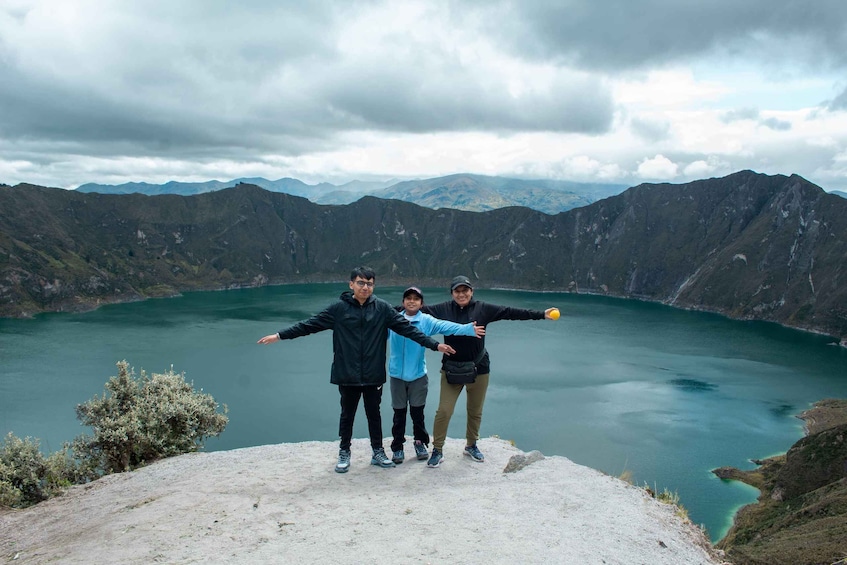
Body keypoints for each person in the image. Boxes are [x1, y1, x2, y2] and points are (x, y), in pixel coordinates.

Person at [257, 267, 456, 474]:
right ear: (351, 284)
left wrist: (435, 345)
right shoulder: (338, 309)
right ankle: (344, 452)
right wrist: (279, 335)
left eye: (369, 283)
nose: (365, 287)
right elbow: (309, 325)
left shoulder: (382, 309)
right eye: (361, 283)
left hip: (372, 374)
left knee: (374, 414)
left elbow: (408, 330)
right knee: (347, 415)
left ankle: (377, 451)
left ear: (373, 286)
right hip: (347, 373)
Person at [421, 275, 558, 467]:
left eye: (465, 290)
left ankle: (471, 445)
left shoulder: (483, 309)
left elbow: (511, 312)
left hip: (479, 368)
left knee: (475, 411)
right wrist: (383, 313)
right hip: (452, 369)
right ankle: (437, 449)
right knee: (444, 411)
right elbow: (413, 310)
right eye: (457, 291)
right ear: (452, 293)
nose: (461, 294)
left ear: (472, 291)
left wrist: (541, 314)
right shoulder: (442, 309)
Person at [387, 286, 485, 465]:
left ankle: (420, 442)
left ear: (421, 303)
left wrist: (467, 329)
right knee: (398, 413)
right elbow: (374, 331)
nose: (411, 301)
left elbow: (445, 326)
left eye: (416, 299)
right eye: (408, 298)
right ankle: (398, 446)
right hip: (396, 375)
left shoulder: (425, 321)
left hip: (417, 375)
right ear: (402, 302)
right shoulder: (393, 320)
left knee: (417, 413)